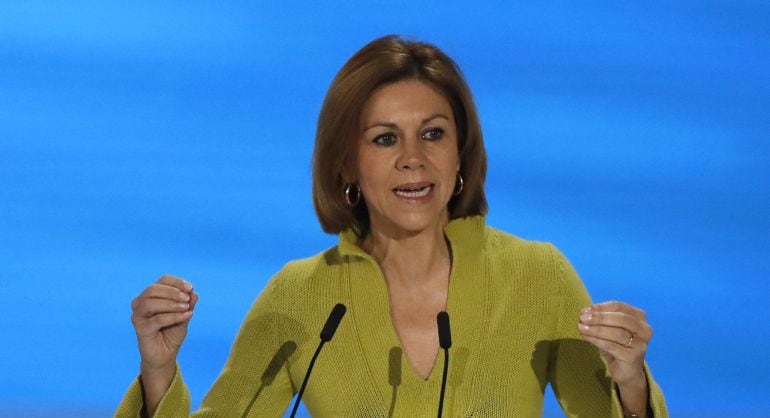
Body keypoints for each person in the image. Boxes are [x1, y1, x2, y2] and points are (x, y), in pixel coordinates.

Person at [116, 35, 668, 417]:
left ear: (460, 154)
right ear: (347, 163)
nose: (413, 158)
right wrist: (158, 368)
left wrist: (630, 382)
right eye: (384, 138)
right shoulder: (302, 296)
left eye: (432, 134)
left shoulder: (536, 277)